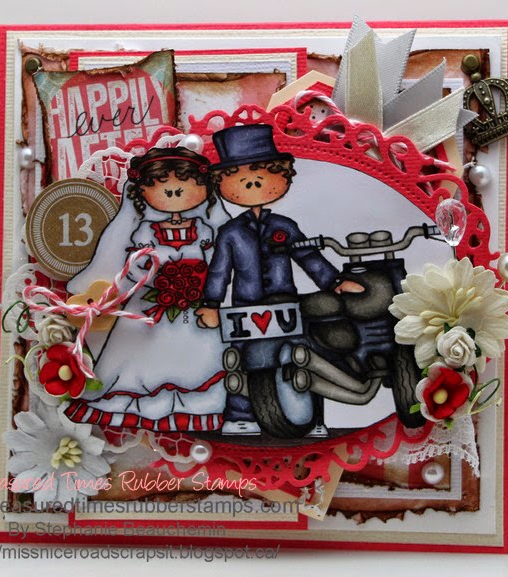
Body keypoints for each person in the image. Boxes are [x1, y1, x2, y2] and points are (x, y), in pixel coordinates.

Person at [195, 124, 364, 435]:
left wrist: (334, 282)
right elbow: (219, 270)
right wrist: (211, 303)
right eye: (238, 177)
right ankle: (242, 414)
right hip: (244, 309)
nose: (252, 182)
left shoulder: (285, 226)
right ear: (221, 184)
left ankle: (315, 419)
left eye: (263, 173)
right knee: (240, 360)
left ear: (283, 176)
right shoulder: (230, 233)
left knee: (303, 354)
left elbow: (308, 257)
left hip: (286, 305)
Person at [64, 142, 231, 432]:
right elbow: (135, 263)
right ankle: (140, 401)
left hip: (196, 305)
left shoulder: (204, 229)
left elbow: (216, 258)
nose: (174, 194)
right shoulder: (145, 230)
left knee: (202, 356)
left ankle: (197, 404)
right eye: (162, 188)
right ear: (142, 192)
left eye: (185, 186)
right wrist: (145, 270)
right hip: (150, 304)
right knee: (141, 355)